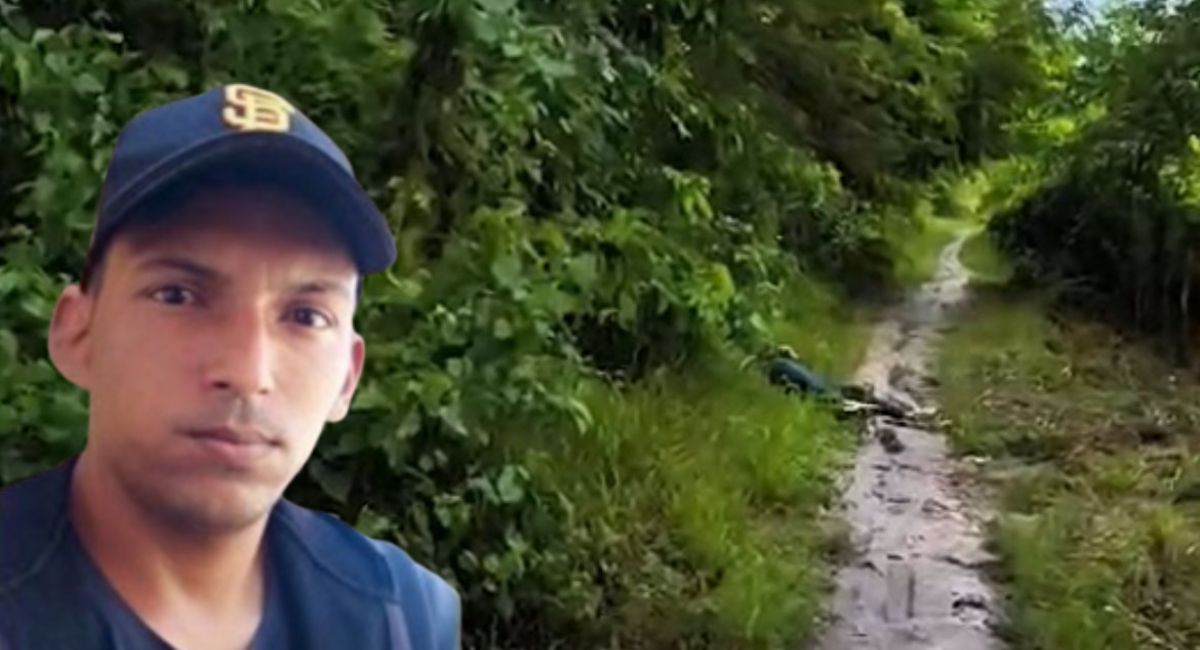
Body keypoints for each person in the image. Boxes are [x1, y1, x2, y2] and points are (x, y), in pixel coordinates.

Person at [0, 84, 460, 649]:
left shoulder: (400, 614)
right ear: (79, 332)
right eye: (177, 295)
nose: (247, 371)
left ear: (348, 376)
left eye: (306, 316)